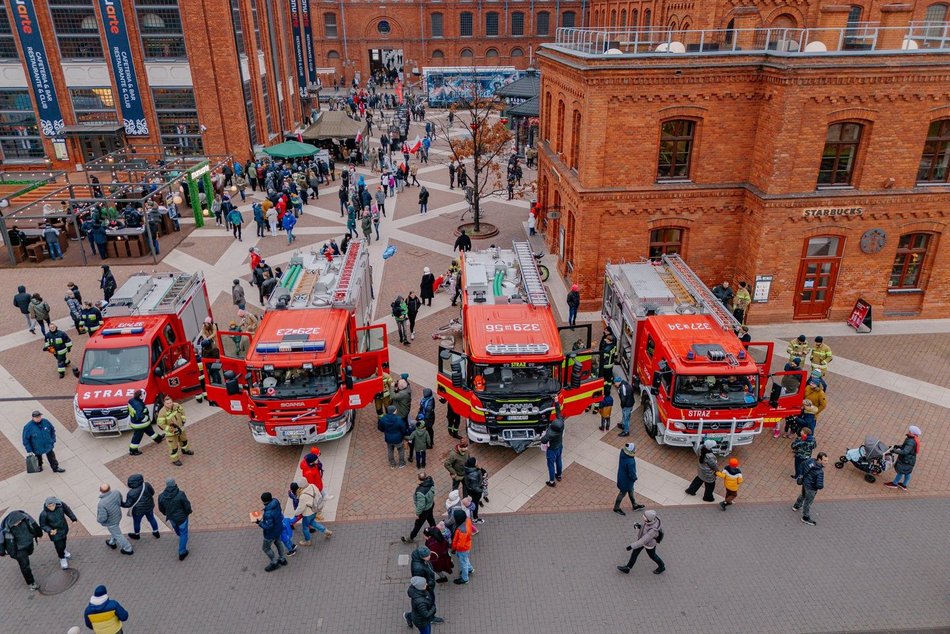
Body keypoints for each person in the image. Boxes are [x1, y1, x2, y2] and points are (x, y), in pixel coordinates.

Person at [0, 510, 43, 590]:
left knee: (30, 553)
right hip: (18, 550)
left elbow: (34, 525)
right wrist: (2, 552)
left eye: (20, 521)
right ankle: (31, 583)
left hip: (28, 543)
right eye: (16, 522)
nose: (18, 523)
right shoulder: (6, 530)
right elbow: (1, 541)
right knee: (25, 566)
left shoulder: (25, 519)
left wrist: (39, 534)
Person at [617, 509, 665, 575]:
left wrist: (631, 546)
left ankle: (662, 566)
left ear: (649, 518)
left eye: (644, 516)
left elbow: (643, 541)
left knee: (652, 556)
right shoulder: (650, 521)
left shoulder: (653, 530)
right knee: (635, 553)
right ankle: (628, 568)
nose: (643, 516)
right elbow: (645, 527)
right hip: (642, 541)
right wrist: (639, 526)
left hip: (649, 544)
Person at [39, 496, 78, 569]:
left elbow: (68, 511)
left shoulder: (61, 506)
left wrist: (73, 519)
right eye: (49, 506)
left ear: (55, 503)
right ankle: (62, 558)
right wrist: (50, 530)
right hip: (55, 533)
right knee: (59, 546)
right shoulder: (43, 514)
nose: (51, 507)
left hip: (63, 529)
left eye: (52, 505)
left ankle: (63, 551)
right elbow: (43, 525)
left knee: (63, 542)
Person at [158, 478, 192, 561]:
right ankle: (182, 552)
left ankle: (179, 535)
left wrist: (166, 514)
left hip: (172, 518)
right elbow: (186, 505)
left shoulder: (161, 496)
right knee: (184, 533)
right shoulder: (180, 494)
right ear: (174, 484)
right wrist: (187, 513)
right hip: (182, 518)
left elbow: (161, 508)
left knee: (177, 529)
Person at [291, 480, 332, 546]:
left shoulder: (303, 496)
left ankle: (308, 541)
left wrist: (295, 514)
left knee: (305, 527)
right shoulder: (312, 486)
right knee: (313, 523)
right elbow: (319, 495)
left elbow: (300, 509)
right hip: (315, 510)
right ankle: (326, 531)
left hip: (307, 514)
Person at [156, 395, 193, 466]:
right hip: (171, 433)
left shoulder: (176, 405)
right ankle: (175, 460)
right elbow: (160, 424)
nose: (169, 404)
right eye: (167, 403)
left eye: (170, 402)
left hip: (180, 428)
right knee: (173, 447)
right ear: (164, 403)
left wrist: (183, 419)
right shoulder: (162, 412)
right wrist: (170, 429)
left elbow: (182, 412)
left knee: (184, 441)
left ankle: (185, 450)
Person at [97, 483, 133, 555]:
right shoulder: (116, 492)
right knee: (115, 532)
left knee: (118, 534)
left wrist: (98, 520)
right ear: (109, 488)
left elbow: (102, 518)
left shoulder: (101, 503)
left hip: (111, 522)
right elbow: (120, 501)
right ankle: (112, 542)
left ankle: (128, 548)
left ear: (100, 490)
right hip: (118, 516)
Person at [121, 474, 160, 540]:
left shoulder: (131, 493)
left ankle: (137, 535)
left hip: (138, 511)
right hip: (149, 507)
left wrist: (121, 503)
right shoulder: (146, 485)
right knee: (151, 519)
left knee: (137, 522)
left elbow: (128, 504)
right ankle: (156, 532)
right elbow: (152, 492)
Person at [257, 492, 288, 572]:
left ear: (263, 501)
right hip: (278, 528)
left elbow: (268, 526)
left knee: (266, 548)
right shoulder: (276, 502)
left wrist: (259, 523)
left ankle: (274, 562)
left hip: (271, 533)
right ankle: (282, 558)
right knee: (278, 543)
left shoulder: (268, 513)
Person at [402, 471, 437, 543]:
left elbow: (421, 505)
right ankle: (435, 531)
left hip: (424, 510)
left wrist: (417, 514)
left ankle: (411, 538)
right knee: (430, 518)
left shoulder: (420, 492)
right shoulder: (430, 481)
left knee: (418, 524)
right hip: (430, 505)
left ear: (420, 479)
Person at [127, 390, 163, 455]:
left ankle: (158, 438)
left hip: (138, 422)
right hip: (140, 425)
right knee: (137, 437)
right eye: (143, 395)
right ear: (140, 396)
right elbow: (139, 416)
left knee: (150, 431)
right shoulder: (139, 405)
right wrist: (145, 418)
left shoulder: (131, 400)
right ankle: (133, 450)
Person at [885, 425, 921, 490]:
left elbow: (905, 451)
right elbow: (906, 446)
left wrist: (894, 451)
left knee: (901, 472)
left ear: (913, 433)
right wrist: (898, 446)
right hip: (910, 459)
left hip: (905, 459)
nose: (908, 431)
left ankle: (894, 484)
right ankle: (904, 485)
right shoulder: (913, 439)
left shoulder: (911, 441)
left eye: (910, 431)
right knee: (907, 472)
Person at [614, 443, 645, 515]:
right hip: (627, 480)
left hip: (622, 476)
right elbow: (632, 473)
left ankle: (635, 505)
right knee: (622, 493)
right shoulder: (630, 461)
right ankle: (616, 508)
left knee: (631, 490)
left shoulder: (622, 453)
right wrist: (635, 478)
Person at [450, 508, 474, 585]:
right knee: (465, 559)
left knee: (463, 563)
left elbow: (460, 544)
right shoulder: (467, 520)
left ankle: (465, 578)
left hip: (462, 549)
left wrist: (454, 549)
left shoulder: (461, 530)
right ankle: (469, 569)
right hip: (466, 546)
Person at [539, 416, 565, 487]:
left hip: (552, 450)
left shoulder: (551, 434)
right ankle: (559, 475)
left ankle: (551, 481)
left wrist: (544, 435)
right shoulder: (561, 426)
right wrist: (557, 405)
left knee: (551, 465)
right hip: (559, 447)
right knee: (559, 460)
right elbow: (559, 414)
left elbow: (543, 440)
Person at [461, 457, 486, 523]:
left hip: (470, 490)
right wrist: (481, 489)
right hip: (475, 492)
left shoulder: (468, 468)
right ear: (473, 465)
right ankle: (475, 518)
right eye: (476, 461)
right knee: (475, 504)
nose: (477, 461)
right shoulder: (474, 475)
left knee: (474, 502)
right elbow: (475, 487)